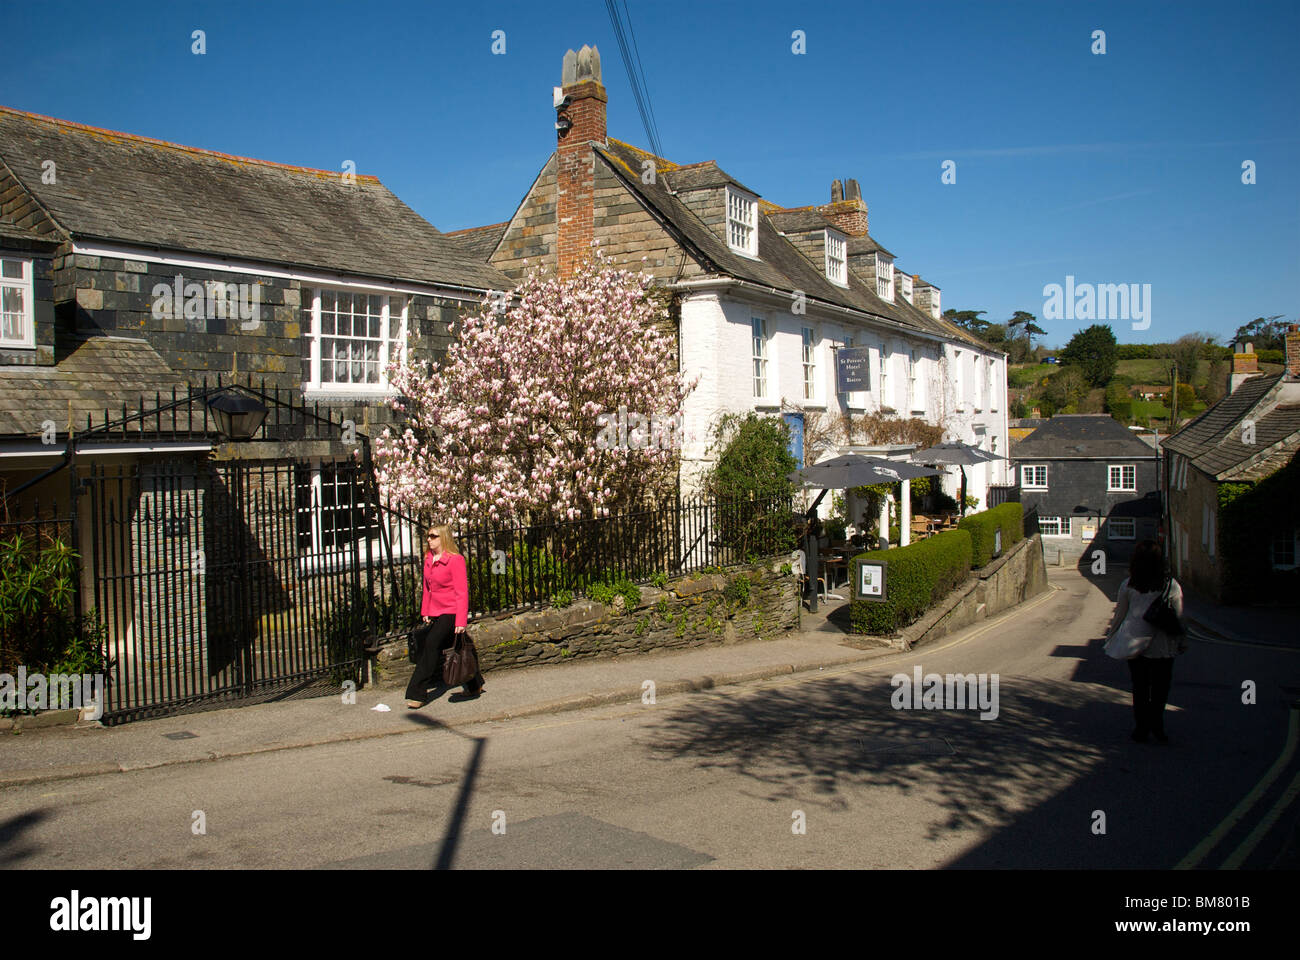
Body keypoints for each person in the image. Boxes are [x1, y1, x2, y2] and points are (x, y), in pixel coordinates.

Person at [1102, 539, 1185, 743]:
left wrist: (1111, 636)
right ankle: (1157, 727)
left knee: (1140, 687)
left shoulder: (1128, 585)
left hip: (1135, 643)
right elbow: (1179, 616)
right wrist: (1182, 640)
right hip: (1163, 645)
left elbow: (1120, 614)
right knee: (1160, 689)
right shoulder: (1171, 585)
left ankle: (1140, 728)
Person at [405, 525, 484, 708]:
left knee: (431, 645)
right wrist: (425, 611)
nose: (429, 539)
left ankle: (417, 693)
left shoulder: (455, 560)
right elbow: (427, 588)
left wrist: (460, 621)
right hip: (436, 611)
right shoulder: (429, 559)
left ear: (443, 538)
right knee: (459, 647)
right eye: (428, 536)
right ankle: (474, 684)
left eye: (433, 536)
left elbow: (461, 592)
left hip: (450, 611)